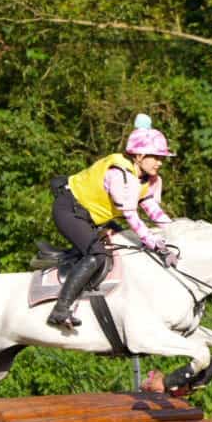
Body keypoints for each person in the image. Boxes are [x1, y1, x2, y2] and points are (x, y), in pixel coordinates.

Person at [46, 113, 177, 328]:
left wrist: (175, 234)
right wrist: (155, 244)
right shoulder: (118, 174)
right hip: (69, 210)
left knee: (123, 247)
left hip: (94, 218)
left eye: (162, 158)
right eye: (156, 157)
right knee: (97, 253)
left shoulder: (147, 179)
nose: (160, 163)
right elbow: (131, 216)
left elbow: (154, 211)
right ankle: (60, 309)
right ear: (139, 155)